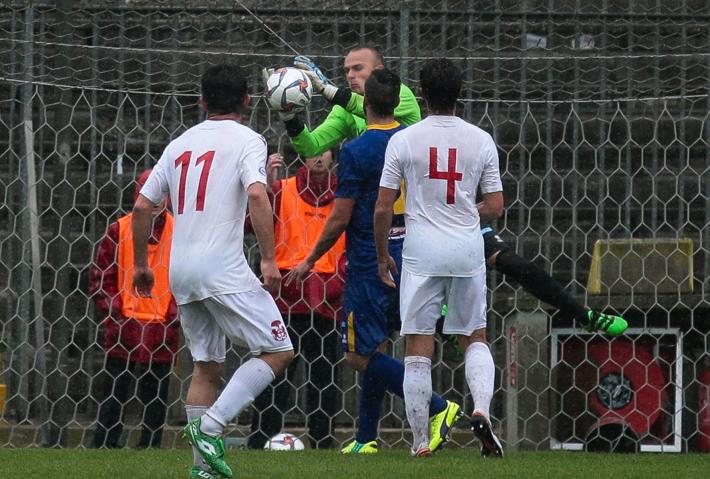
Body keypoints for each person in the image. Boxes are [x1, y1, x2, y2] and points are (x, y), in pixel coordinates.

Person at [287, 69, 462, 455]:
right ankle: (366, 438)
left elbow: (341, 215)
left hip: (370, 259)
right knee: (379, 345)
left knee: (358, 355)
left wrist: (311, 258)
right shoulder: (414, 140)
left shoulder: (357, 149)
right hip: (412, 253)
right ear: (398, 102)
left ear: (364, 104)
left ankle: (439, 407)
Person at [132, 64, 295, 479]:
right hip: (221, 267)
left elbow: (142, 205)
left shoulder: (179, 144)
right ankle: (211, 426)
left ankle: (202, 469)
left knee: (206, 366)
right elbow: (256, 194)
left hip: (180, 270)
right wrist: (268, 259)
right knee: (278, 350)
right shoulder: (249, 140)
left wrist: (140, 264)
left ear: (202, 101)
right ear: (248, 101)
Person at [373, 58, 505, 458]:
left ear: (421, 94)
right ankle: (481, 410)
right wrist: (463, 212)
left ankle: (419, 442)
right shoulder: (480, 139)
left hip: (420, 252)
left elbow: (383, 207)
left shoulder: (404, 140)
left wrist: (382, 255)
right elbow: (495, 205)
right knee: (474, 335)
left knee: (418, 344)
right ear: (460, 93)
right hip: (466, 248)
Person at [248, 150, 345, 449]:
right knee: (275, 371)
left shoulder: (343, 196)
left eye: (324, 150)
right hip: (286, 296)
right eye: (312, 151)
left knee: (324, 374)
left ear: (333, 157)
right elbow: (252, 225)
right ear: (303, 157)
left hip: (328, 296)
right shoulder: (282, 189)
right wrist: (267, 190)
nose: (319, 157)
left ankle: (322, 440)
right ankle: (261, 437)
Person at [88, 169, 179, 449]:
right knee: (115, 390)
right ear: (138, 194)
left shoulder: (180, 231)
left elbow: (186, 278)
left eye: (161, 193)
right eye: (149, 192)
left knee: (156, 393)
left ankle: (150, 445)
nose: (156, 199)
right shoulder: (119, 230)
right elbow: (101, 277)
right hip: (124, 324)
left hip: (163, 325)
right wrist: (115, 312)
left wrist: (174, 316)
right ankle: (105, 443)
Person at [269, 46, 421, 158]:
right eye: (347, 70)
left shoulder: (400, 93)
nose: (350, 75)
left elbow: (373, 104)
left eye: (357, 68)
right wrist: (289, 117)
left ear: (379, 70)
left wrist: (326, 89)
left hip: (407, 186)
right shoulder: (344, 110)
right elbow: (311, 147)